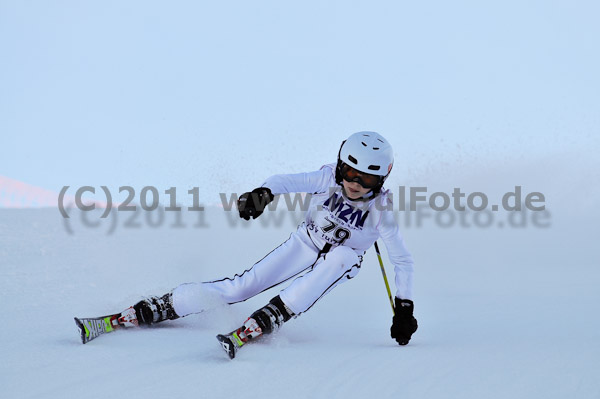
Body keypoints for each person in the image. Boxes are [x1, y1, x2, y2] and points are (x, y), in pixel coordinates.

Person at [119, 131, 417, 355]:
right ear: (340, 166)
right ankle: (165, 305)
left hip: (342, 258)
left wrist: (404, 308)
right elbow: (284, 181)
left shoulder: (381, 211)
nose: (355, 184)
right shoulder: (326, 178)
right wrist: (263, 193)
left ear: (381, 180)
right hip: (306, 242)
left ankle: (278, 310)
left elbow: (402, 260)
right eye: (351, 173)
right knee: (241, 287)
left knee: (342, 257)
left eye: (367, 179)